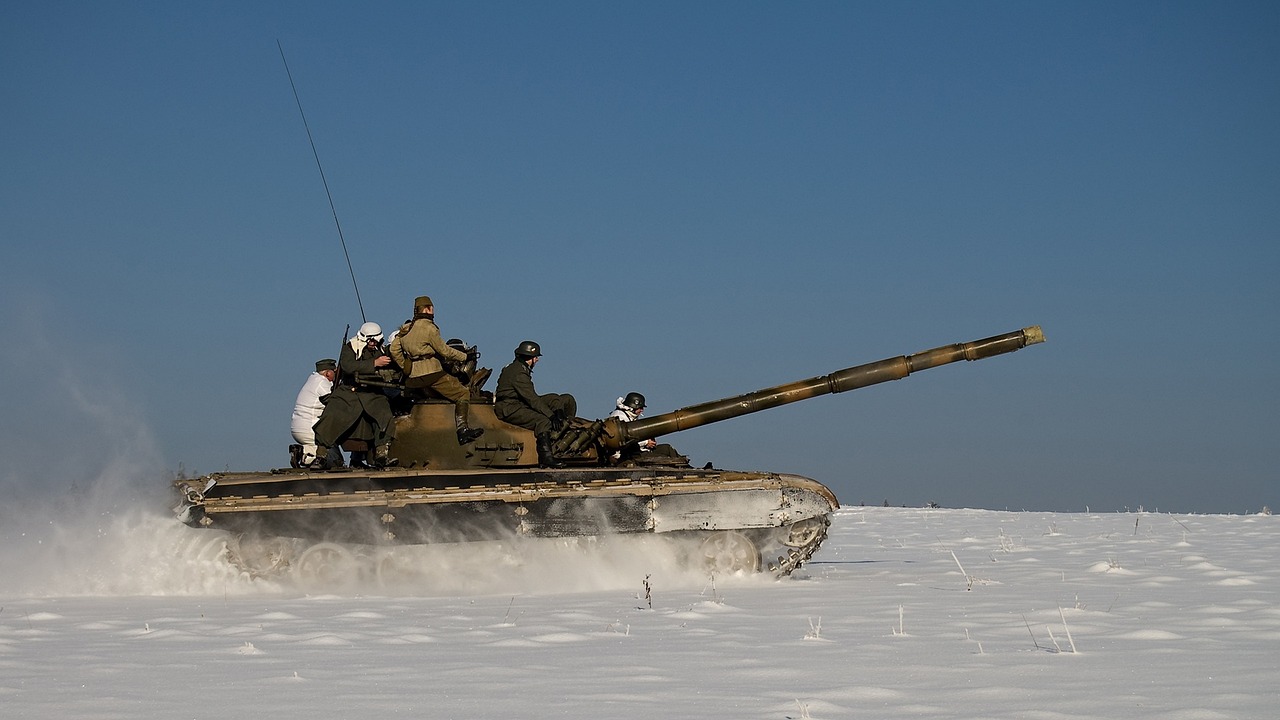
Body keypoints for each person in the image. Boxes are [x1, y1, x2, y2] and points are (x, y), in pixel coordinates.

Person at [388, 295, 484, 445]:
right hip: (432, 373)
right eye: (432, 308)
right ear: (427, 309)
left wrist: (407, 366)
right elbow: (444, 351)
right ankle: (462, 430)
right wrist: (465, 357)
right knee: (462, 393)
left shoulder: (406, 329)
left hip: (413, 377)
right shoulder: (429, 328)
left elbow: (394, 350)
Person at [313, 321, 398, 468]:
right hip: (349, 392)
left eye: (375, 339)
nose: (372, 343)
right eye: (370, 339)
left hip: (372, 392)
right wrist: (374, 364)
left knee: (384, 416)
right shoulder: (350, 348)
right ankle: (320, 456)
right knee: (331, 417)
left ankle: (381, 454)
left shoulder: (382, 350)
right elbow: (348, 366)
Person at [494, 340, 576, 468]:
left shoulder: (519, 368)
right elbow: (532, 399)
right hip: (509, 408)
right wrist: (551, 416)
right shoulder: (518, 373)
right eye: (535, 357)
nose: (537, 360)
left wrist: (558, 411)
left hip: (518, 403)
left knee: (557, 399)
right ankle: (546, 457)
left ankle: (563, 427)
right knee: (542, 421)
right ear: (528, 358)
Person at [290, 358, 342, 468]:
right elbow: (334, 402)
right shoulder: (322, 383)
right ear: (328, 373)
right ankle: (305, 455)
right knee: (335, 461)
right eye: (335, 372)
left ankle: (305, 451)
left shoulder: (313, 379)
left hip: (299, 427)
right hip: (311, 428)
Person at [606, 392, 680, 462]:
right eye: (640, 408)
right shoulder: (619, 417)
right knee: (664, 459)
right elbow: (626, 439)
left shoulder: (630, 415)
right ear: (633, 407)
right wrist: (646, 442)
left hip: (637, 451)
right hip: (626, 455)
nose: (642, 410)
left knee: (667, 449)